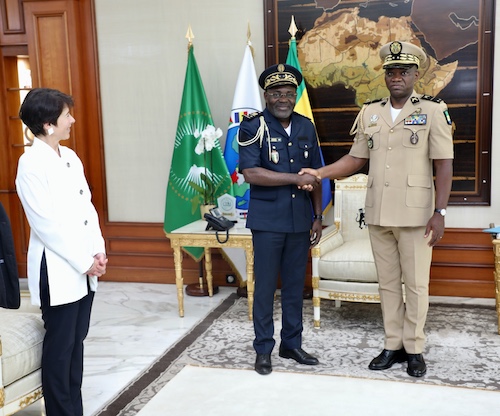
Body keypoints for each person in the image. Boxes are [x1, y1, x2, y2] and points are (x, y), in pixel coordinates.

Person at [300, 41, 454, 377]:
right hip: (378, 212)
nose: (397, 77)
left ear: (415, 76)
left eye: (404, 71)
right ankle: (393, 344)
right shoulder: (370, 112)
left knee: (416, 285)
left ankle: (414, 348)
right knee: (387, 284)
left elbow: (444, 164)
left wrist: (440, 212)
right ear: (385, 76)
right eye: (391, 72)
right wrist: (320, 173)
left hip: (417, 215)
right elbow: (356, 159)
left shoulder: (432, 111)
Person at [16, 88, 107, 415]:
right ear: (48, 124)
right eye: (67, 115)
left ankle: (74, 410)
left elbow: (87, 208)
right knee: (60, 346)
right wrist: (84, 261)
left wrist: (97, 251)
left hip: (83, 266)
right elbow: (46, 226)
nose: (72, 120)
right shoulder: (30, 164)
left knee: (76, 342)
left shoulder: (69, 156)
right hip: (56, 269)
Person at [238, 64, 323, 375]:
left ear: (295, 96)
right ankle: (263, 349)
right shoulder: (253, 127)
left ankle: (291, 344)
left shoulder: (305, 126)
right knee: (264, 288)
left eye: (288, 93)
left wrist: (317, 216)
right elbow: (251, 173)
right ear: (266, 96)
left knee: (294, 286)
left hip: (300, 220)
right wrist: (293, 179)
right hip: (268, 222)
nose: (283, 99)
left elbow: (315, 174)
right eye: (276, 93)